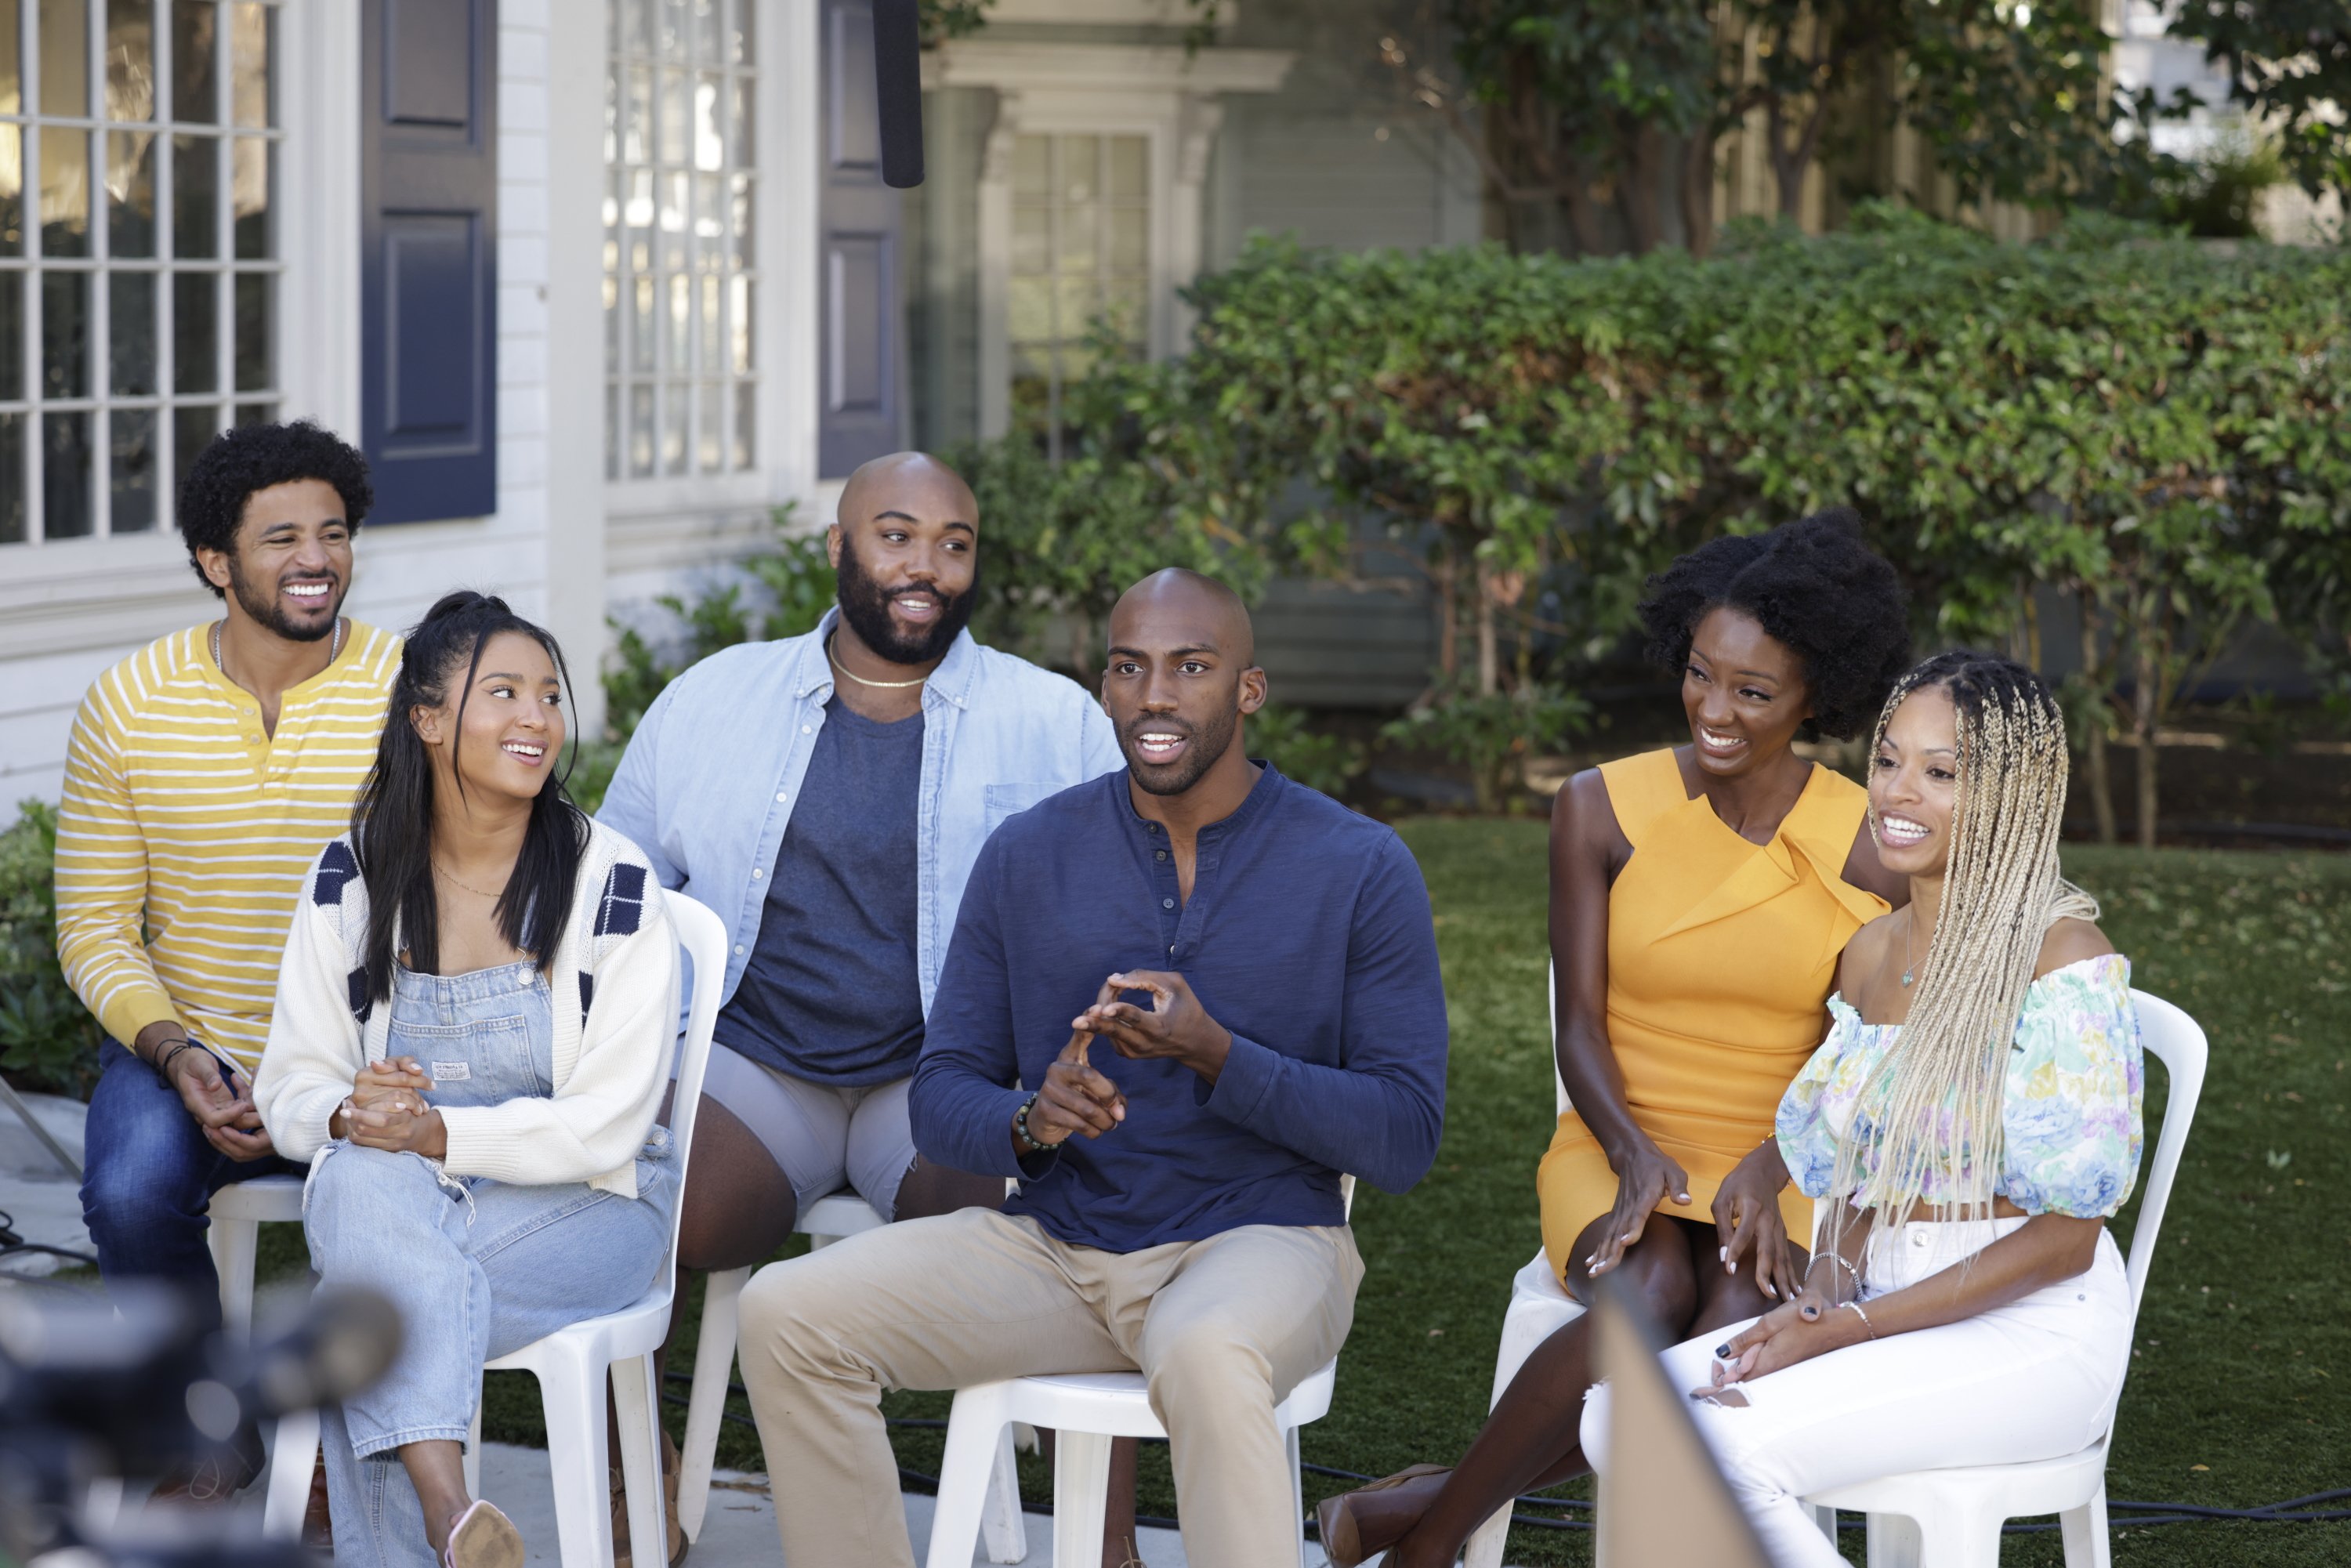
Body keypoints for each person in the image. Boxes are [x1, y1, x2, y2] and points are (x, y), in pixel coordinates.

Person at [728, 568, 1449, 1568]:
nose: (1156, 695)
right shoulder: (1029, 855)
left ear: (1249, 690)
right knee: (787, 1314)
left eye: (1191, 668)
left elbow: (1405, 1136)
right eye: (1129, 667)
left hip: (1262, 1242)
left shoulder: (1359, 865)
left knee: (1203, 1351)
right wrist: (1033, 1122)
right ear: (1103, 687)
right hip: (1060, 1250)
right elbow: (944, 1098)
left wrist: (1217, 1054)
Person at [1317, 509, 1912, 1566]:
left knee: (1728, 1321)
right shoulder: (1598, 807)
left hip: (1779, 1152)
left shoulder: (1866, 838)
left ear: (1815, 697)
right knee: (1646, 1296)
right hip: (1615, 1133)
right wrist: (1634, 1153)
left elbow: (1862, 1051)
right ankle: (1430, 1545)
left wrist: (1777, 1163)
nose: (1713, 709)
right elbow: (1578, 1025)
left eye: (1752, 691)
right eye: (1700, 673)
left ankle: (1419, 1515)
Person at [596, 450, 1123, 1559]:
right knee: (636, 1196)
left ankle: (1097, 1533)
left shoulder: (1053, 720)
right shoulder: (713, 699)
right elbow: (617, 892)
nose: (925, 565)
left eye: (954, 543)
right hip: (758, 1064)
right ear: (839, 548)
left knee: (1037, 1213)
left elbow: (1117, 912)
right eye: (896, 535)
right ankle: (631, 1481)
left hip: (938, 1079)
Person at [1582, 651, 2143, 1566]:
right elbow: (1860, 1167)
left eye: (1942, 771)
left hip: (2029, 1325)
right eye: (1888, 760)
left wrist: (1852, 1327)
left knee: (1708, 1447)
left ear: (2014, 796)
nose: (1897, 792)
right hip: (1877, 1292)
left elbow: (2066, 1238)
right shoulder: (1872, 953)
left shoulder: (2060, 957)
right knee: (1618, 1417)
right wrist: (1824, 1295)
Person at [255, 592, 683, 1568]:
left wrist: (436, 1136)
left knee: (363, 1309)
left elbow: (608, 1126)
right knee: (367, 1191)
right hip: (405, 1199)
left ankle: (435, 1522)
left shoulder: (611, 886)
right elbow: (289, 1091)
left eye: (548, 695)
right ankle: (454, 1515)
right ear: (429, 719)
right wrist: (348, 1108)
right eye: (504, 693)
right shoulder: (352, 881)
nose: (537, 718)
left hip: (592, 1207)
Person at [56, 421, 394, 1507]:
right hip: (191, 1042)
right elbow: (96, 927)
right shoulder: (128, 702)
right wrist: (178, 1050)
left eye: (334, 533)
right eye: (283, 535)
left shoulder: (412, 691)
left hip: (365, 1049)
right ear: (216, 561)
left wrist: (331, 1078)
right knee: (127, 1191)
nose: (317, 557)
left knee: (395, 1211)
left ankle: (352, 1460)